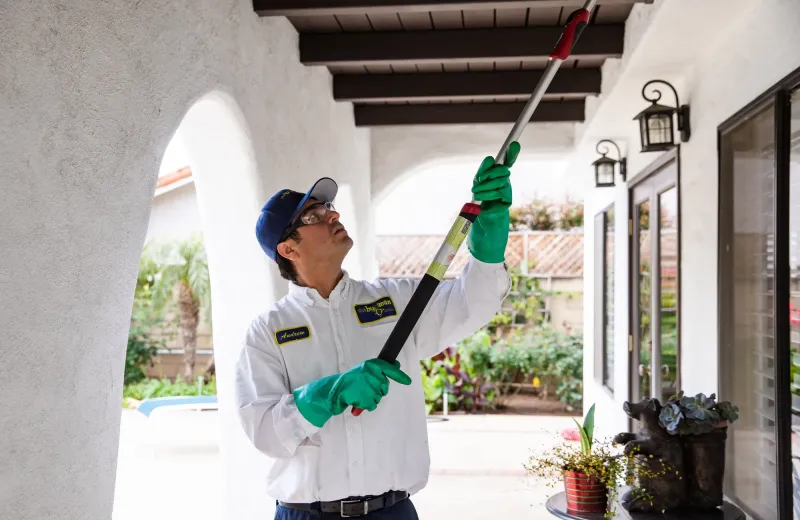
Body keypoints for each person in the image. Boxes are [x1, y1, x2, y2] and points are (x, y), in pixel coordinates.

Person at [234, 142, 521, 519]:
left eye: (328, 208)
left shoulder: (397, 301)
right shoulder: (268, 332)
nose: (331, 216)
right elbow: (266, 433)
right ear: (288, 250)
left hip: (392, 511)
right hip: (306, 513)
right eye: (312, 216)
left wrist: (490, 238)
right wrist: (327, 394)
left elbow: (473, 303)